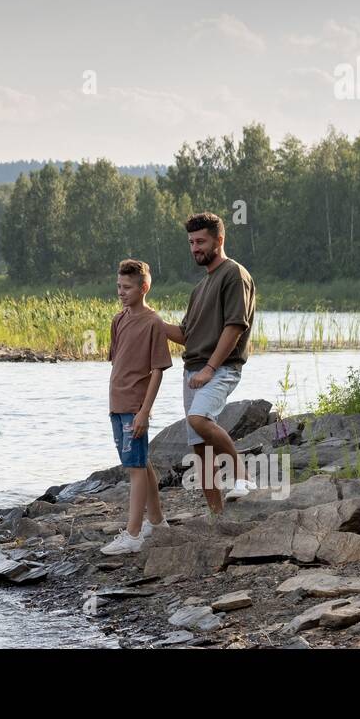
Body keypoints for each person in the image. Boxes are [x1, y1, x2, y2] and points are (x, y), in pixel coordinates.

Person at [162, 212, 257, 513]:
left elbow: (235, 326)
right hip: (193, 371)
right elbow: (185, 335)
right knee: (201, 451)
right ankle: (216, 516)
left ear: (220, 239)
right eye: (191, 242)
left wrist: (210, 369)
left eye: (201, 241)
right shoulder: (199, 288)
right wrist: (149, 319)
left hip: (220, 367)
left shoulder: (234, 274)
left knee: (199, 419)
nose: (195, 248)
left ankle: (243, 476)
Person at [100, 258, 173, 555]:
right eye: (118, 286)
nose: (121, 292)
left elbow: (157, 370)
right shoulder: (118, 320)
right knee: (142, 462)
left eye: (127, 287)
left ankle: (132, 534)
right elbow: (118, 362)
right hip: (116, 404)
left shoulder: (154, 323)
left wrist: (144, 411)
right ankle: (155, 521)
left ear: (144, 288)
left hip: (135, 406)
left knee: (134, 468)